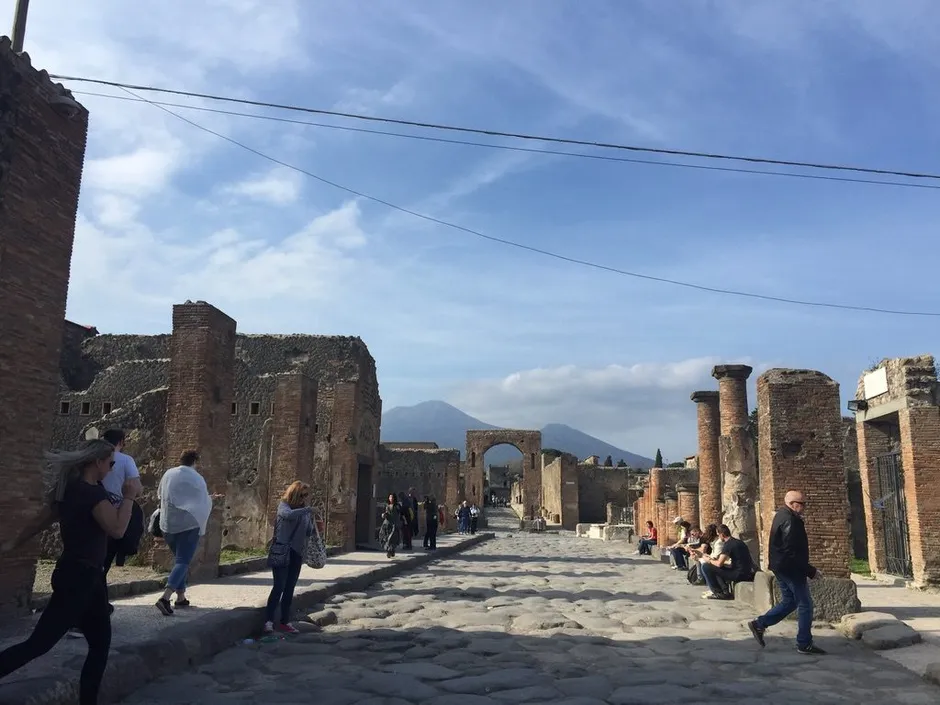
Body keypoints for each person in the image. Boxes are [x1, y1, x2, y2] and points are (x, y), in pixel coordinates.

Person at [0, 439, 137, 705]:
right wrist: (130, 497)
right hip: (80, 579)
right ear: (97, 462)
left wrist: (11, 544)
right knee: (39, 644)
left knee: (99, 645)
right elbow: (117, 529)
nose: (111, 468)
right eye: (110, 463)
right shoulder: (92, 494)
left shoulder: (70, 490)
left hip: (85, 576)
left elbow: (39, 521)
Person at [748, 490, 826, 655]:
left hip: (781, 567)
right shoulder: (790, 520)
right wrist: (810, 570)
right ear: (792, 504)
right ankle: (804, 643)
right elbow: (791, 551)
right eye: (801, 504)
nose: (804, 507)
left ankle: (759, 624)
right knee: (805, 604)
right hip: (791, 569)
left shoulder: (781, 515)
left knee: (790, 601)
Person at [154, 449, 214, 616]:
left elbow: (161, 495)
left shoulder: (168, 474)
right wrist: (211, 498)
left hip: (168, 525)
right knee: (183, 561)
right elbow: (200, 500)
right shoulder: (196, 478)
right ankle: (165, 597)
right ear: (195, 461)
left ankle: (181, 597)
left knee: (179, 561)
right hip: (189, 525)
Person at [264, 481, 316, 635]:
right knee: (279, 586)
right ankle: (268, 621)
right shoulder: (284, 506)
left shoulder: (304, 511)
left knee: (289, 588)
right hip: (282, 551)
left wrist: (315, 525)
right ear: (295, 494)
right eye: (302, 495)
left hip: (296, 553)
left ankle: (285, 621)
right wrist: (307, 510)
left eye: (306, 495)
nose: (304, 498)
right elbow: (288, 515)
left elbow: (308, 531)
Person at [700, 524, 756, 600]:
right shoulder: (739, 542)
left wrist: (709, 560)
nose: (719, 537)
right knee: (716, 568)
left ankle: (718, 593)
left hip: (738, 574)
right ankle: (725, 591)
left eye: (718, 535)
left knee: (706, 566)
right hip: (746, 572)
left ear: (722, 534)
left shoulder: (728, 545)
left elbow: (719, 564)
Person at [378, 494, 402, 558]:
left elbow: (400, 513)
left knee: (392, 538)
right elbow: (385, 513)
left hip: (394, 524)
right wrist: (384, 515)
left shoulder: (397, 505)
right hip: (387, 524)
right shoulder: (387, 505)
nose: (391, 498)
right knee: (385, 537)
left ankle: (390, 550)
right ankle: (389, 550)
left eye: (392, 497)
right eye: (390, 497)